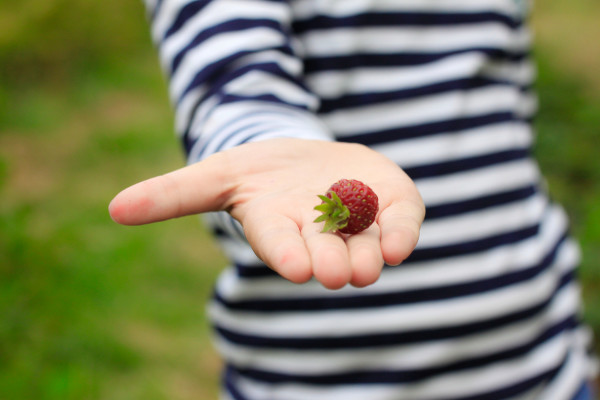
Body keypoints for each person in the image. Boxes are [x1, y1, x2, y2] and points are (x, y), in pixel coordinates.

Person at [109, 0, 597, 398]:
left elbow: (508, 104)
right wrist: (269, 147)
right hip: (319, 380)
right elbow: (232, 81)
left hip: (542, 366)